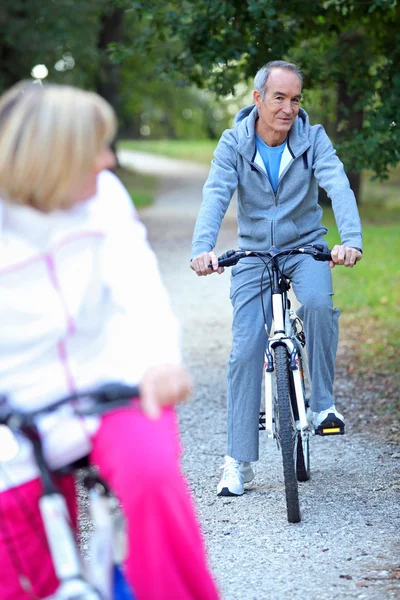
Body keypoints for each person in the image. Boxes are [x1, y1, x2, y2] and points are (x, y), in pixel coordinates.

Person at [0, 81, 219, 600]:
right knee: (22, 564)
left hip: (109, 381)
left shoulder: (106, 199)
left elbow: (140, 288)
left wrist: (161, 362)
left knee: (151, 475)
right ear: (50, 159)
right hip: (15, 404)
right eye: (95, 148)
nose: (107, 160)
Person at [190, 60, 362, 497]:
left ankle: (322, 405)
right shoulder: (234, 143)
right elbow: (216, 194)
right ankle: (238, 463)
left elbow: (337, 185)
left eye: (295, 99)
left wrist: (351, 241)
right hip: (252, 253)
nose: (288, 108)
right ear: (258, 99)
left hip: (304, 246)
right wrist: (201, 249)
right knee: (246, 347)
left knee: (320, 304)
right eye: (279, 98)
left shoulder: (313, 139)